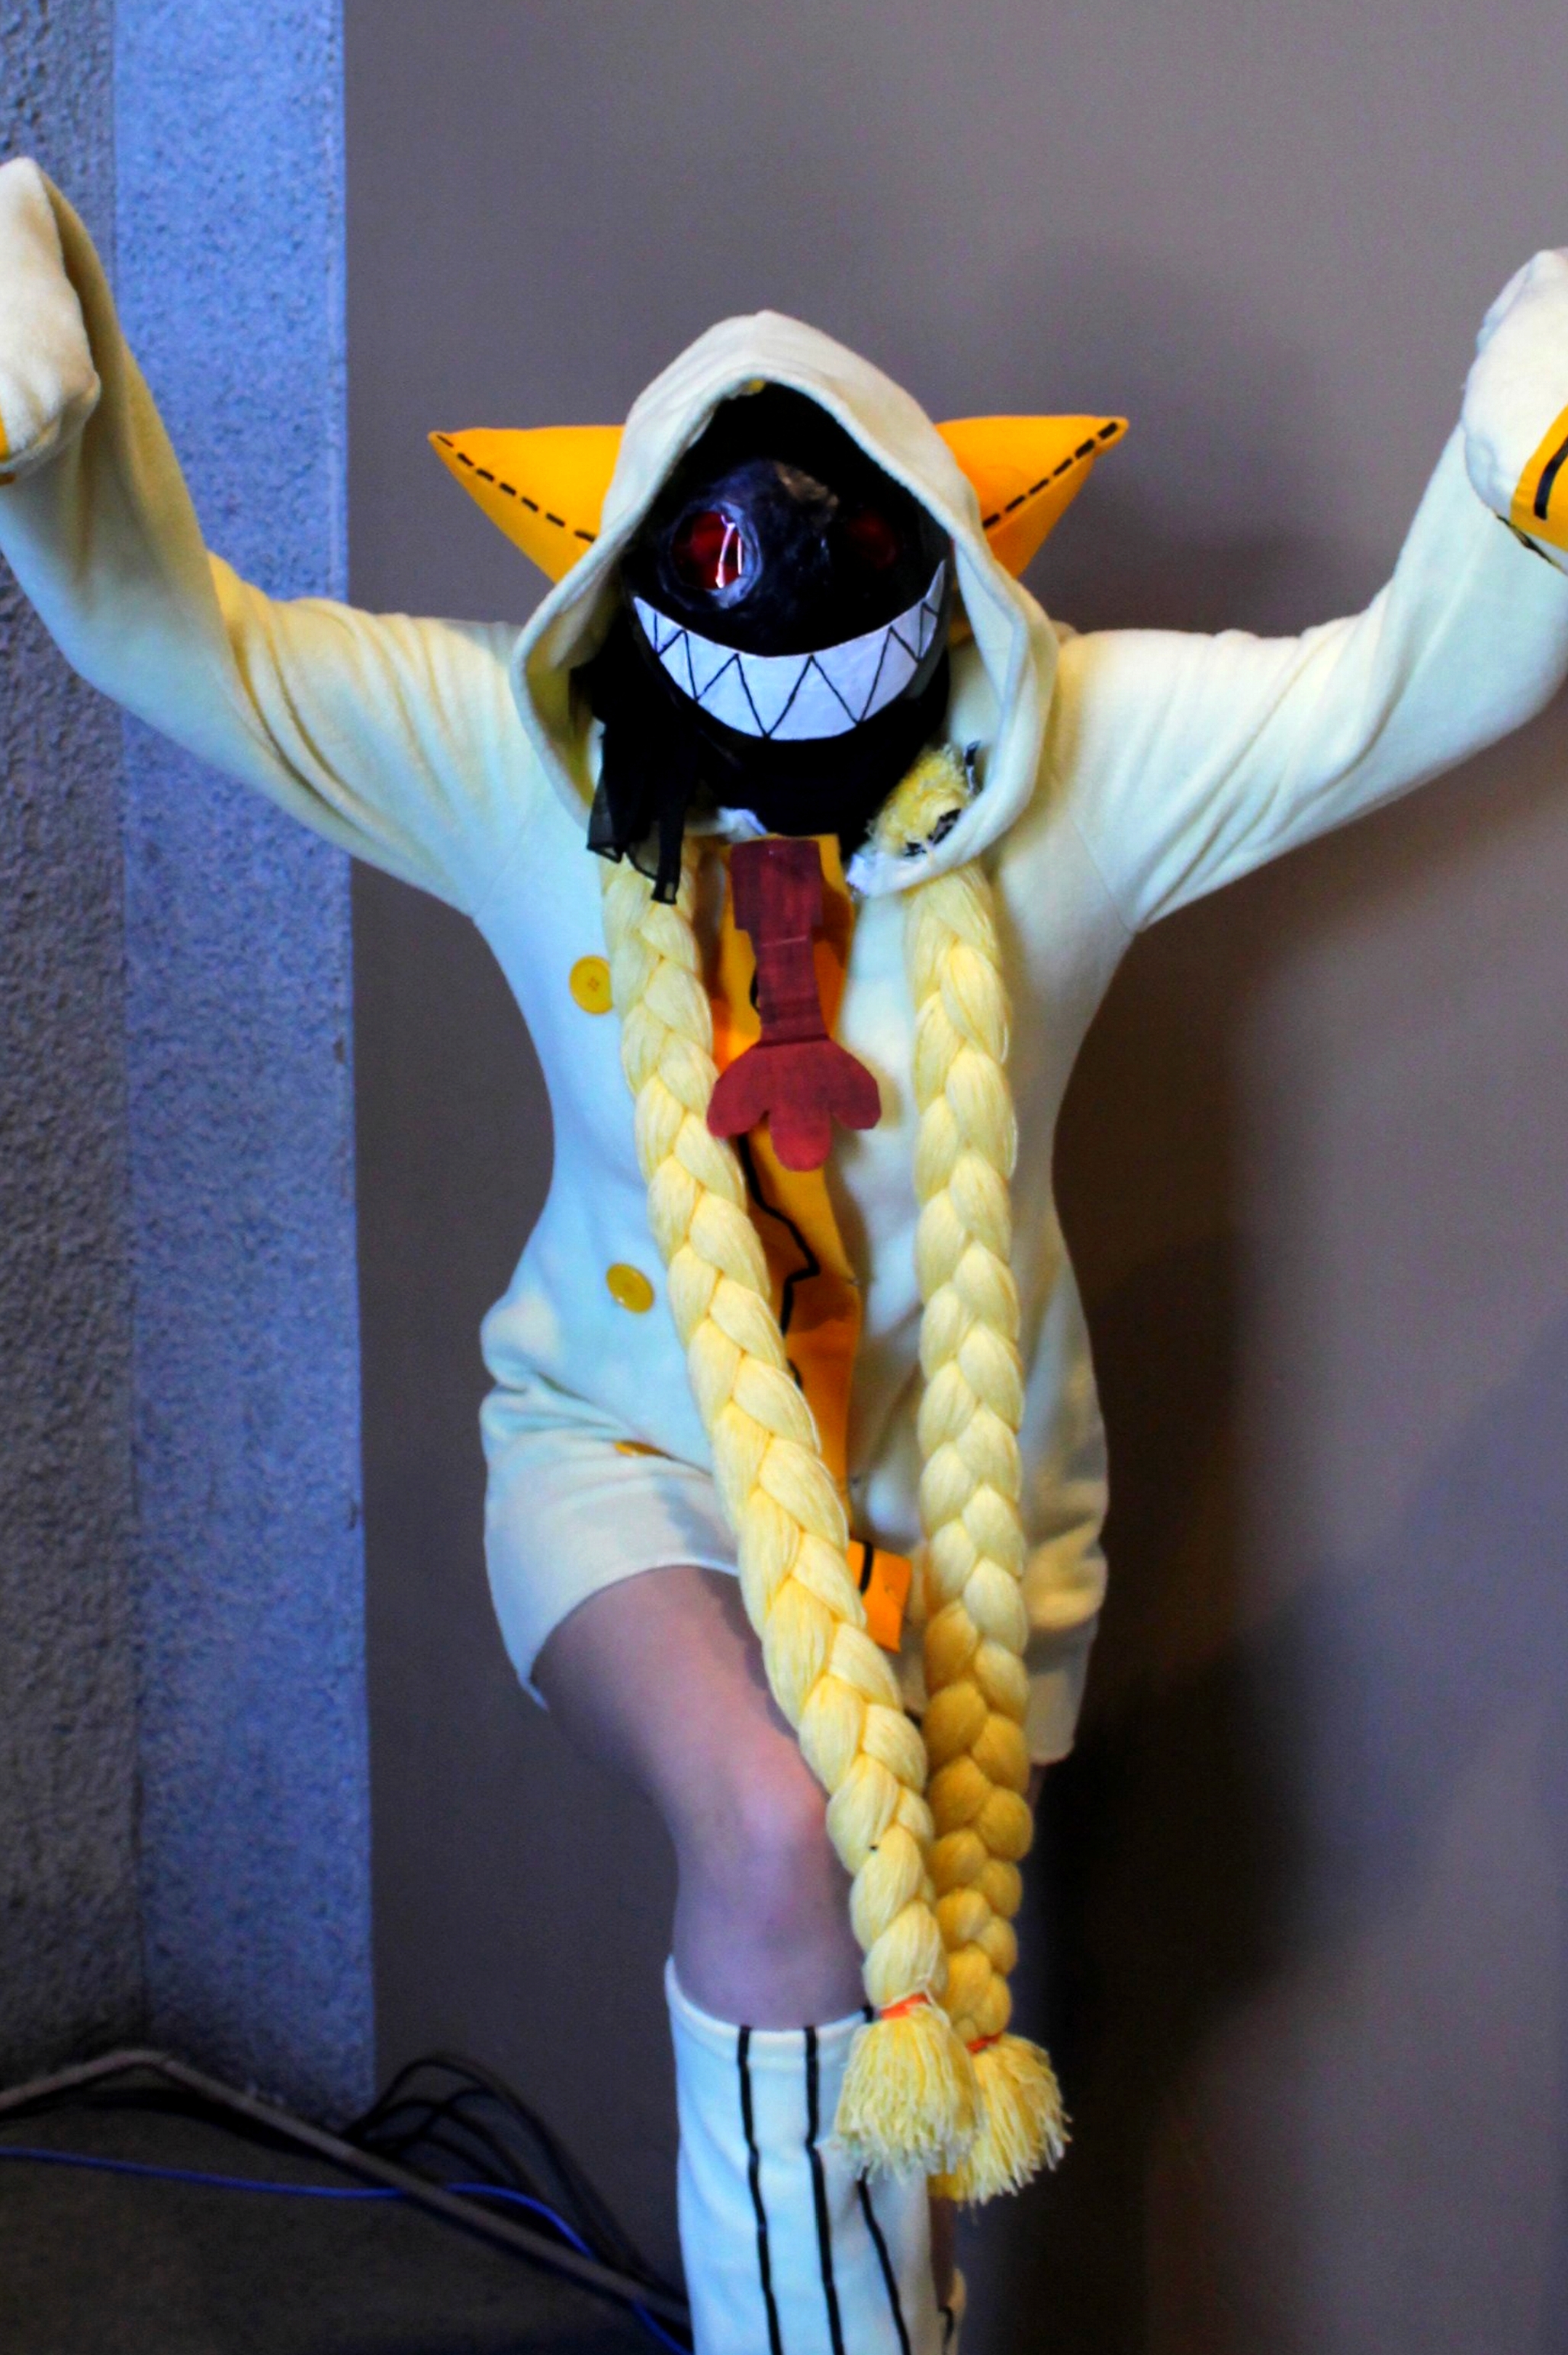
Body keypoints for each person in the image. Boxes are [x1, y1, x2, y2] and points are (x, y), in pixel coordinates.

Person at [2, 153, 1565, 2354]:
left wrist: (1531, 435)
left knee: (877, 1986)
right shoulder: (520, 760)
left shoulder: (1083, 755)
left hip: (964, 1512)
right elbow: (197, 642)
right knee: (775, 1830)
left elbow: (1395, 686)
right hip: (622, 1452)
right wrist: (42, 356)